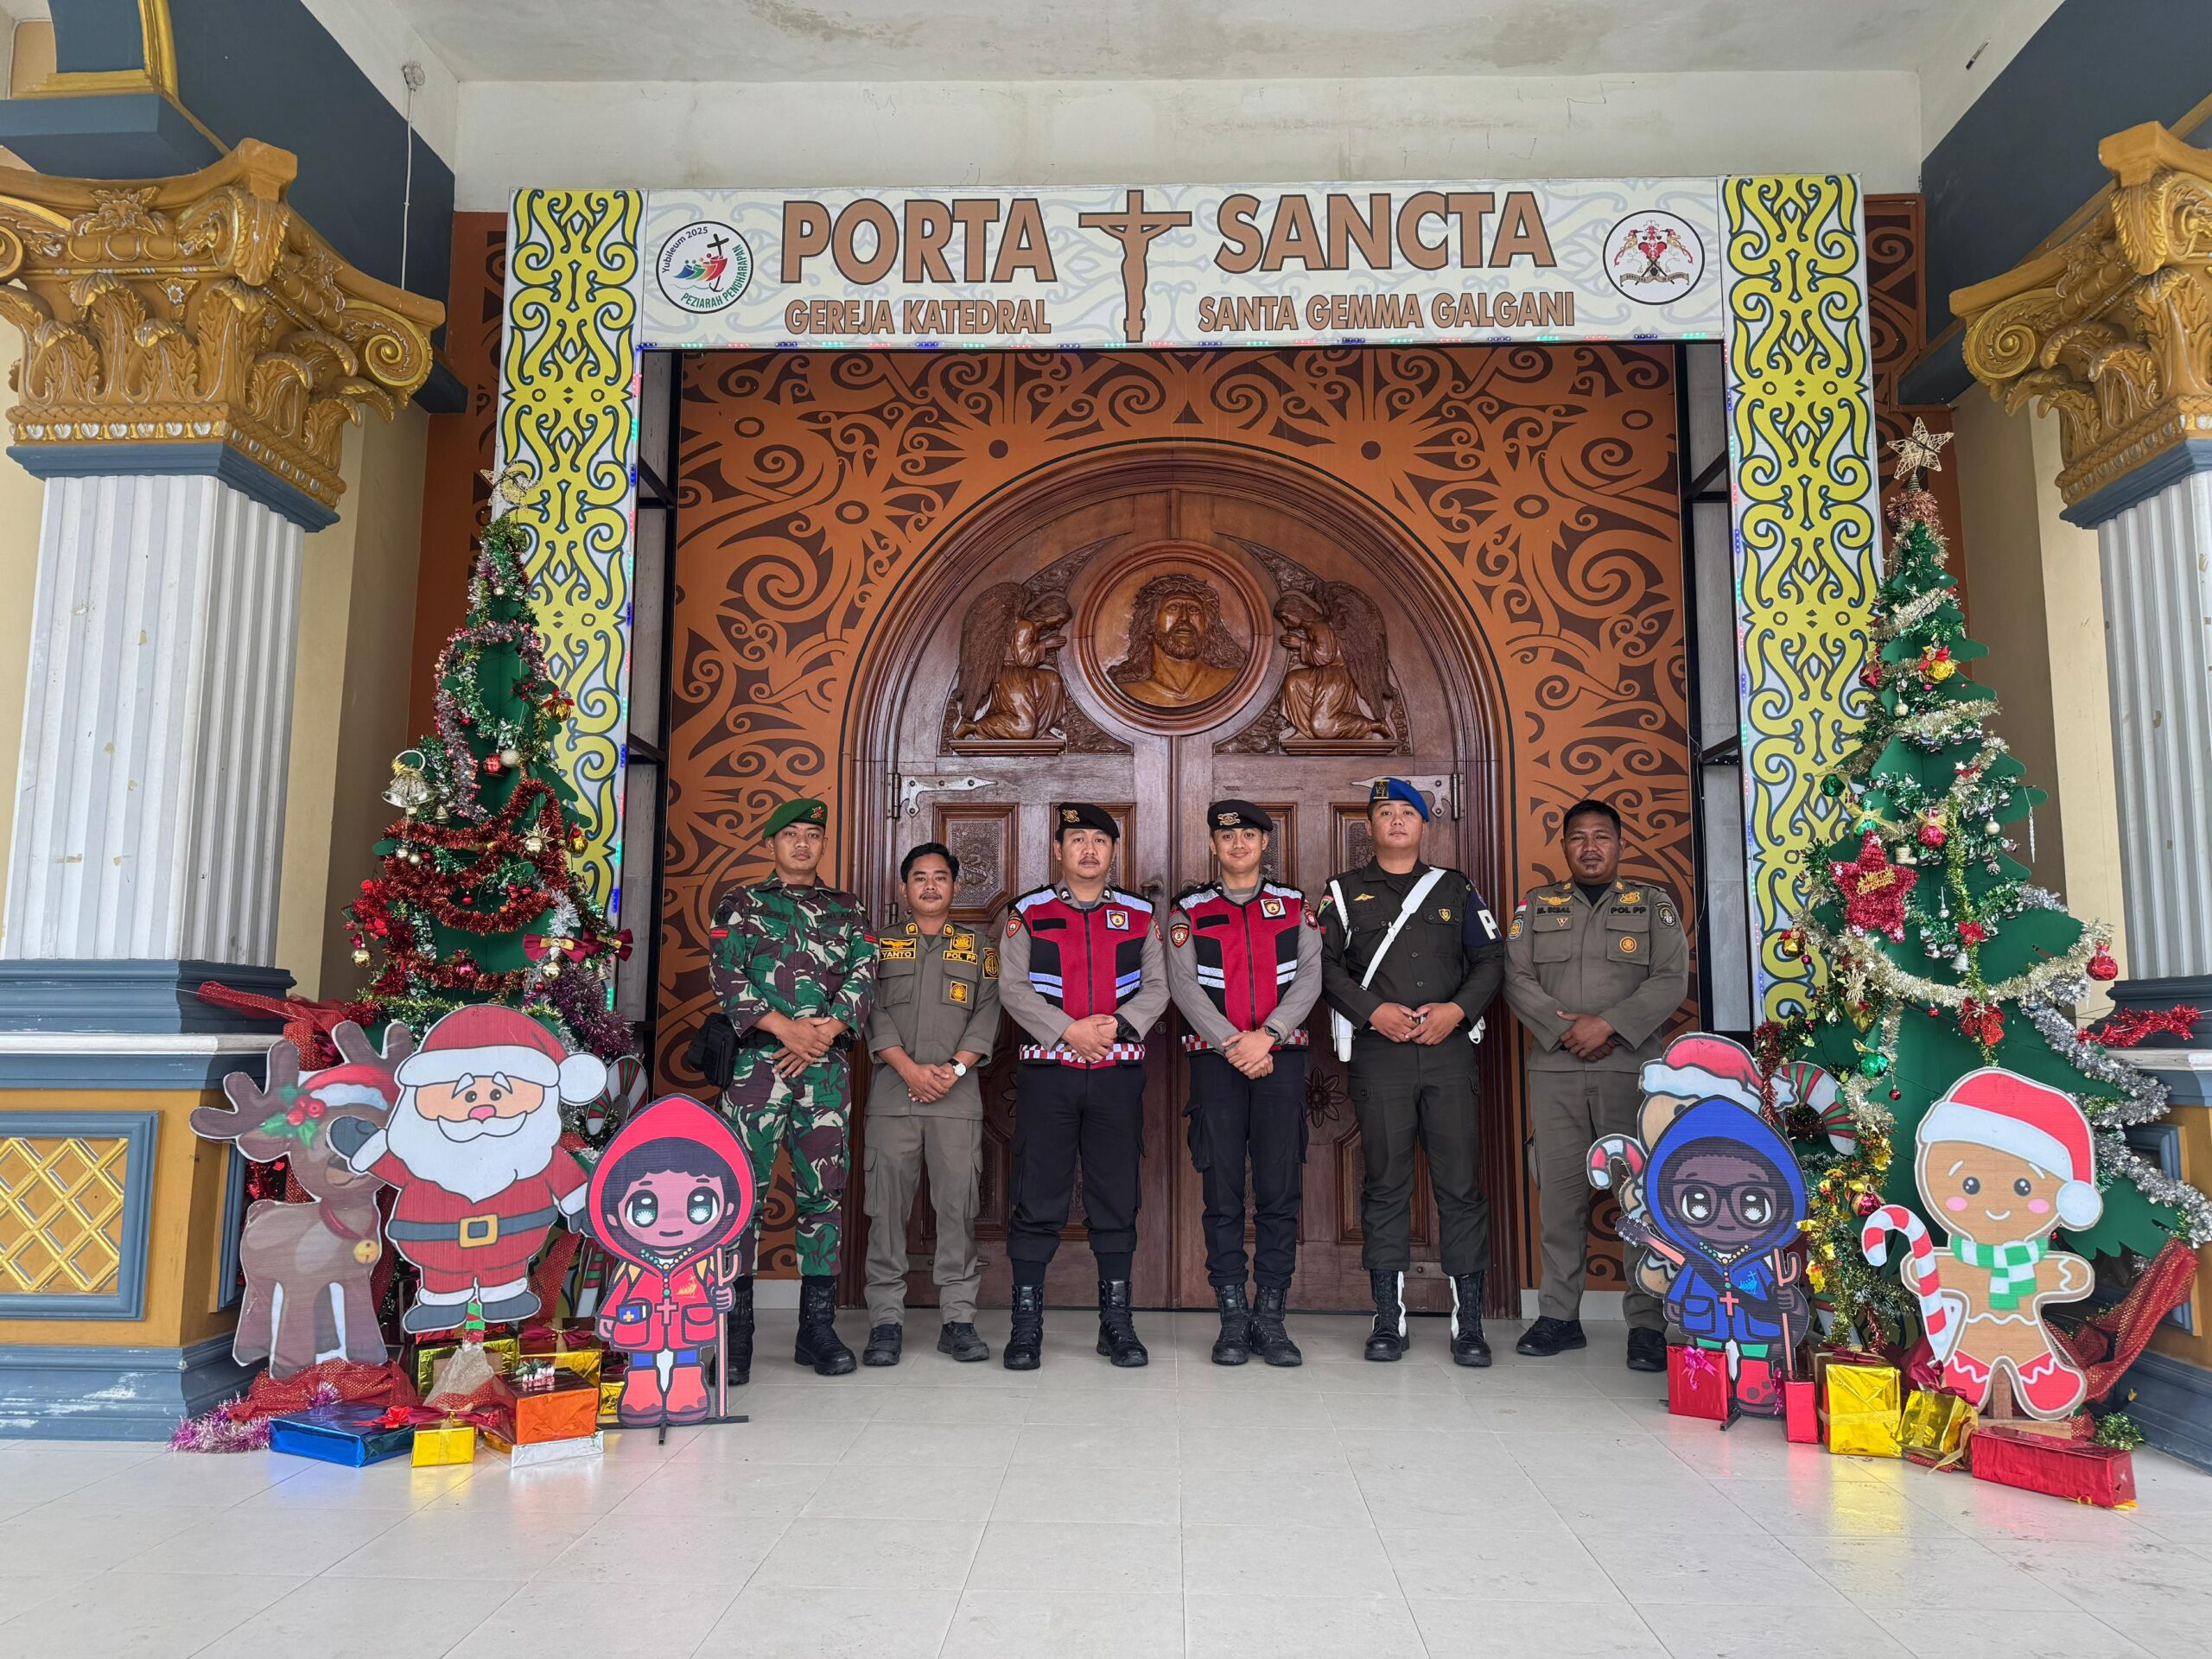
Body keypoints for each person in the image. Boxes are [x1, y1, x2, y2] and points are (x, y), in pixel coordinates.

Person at [1501, 798, 1689, 1371]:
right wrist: (1568, 1031)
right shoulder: (1537, 906)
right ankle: (1558, 1317)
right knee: (1559, 1198)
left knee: (1639, 1197)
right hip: (1555, 1069)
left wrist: (1607, 1025)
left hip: (1630, 1070)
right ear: (1564, 846)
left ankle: (1646, 1323)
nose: (1590, 847)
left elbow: (1670, 979)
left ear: (1619, 844)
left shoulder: (1652, 905)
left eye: (1601, 837)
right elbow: (1516, 976)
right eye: (1578, 837)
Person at [1321, 779, 1504, 1365]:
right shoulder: (1342, 893)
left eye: (1408, 812)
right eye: (1385, 812)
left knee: (1460, 1186)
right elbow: (1323, 966)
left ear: (1425, 824)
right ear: (1369, 826)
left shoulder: (1456, 888)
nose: (1397, 820)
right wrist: (1372, 1010)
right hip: (1382, 1056)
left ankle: (1467, 1324)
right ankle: (1387, 1319)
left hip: (1449, 1053)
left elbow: (1490, 959)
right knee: (1385, 1184)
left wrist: (1457, 1010)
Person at [709, 795, 878, 1380]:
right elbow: (726, 973)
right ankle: (736, 1337)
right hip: (756, 1070)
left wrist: (824, 1032)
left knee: (822, 1196)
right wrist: (787, 1029)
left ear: (823, 843)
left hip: (823, 1073)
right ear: (772, 844)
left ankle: (816, 1331)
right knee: (741, 1197)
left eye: (812, 834)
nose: (802, 843)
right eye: (791, 835)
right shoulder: (741, 903)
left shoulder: (847, 908)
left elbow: (864, 972)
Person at [996, 802, 1168, 1369]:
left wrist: (1114, 1027)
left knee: (1114, 1197)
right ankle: (1026, 1326)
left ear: (1114, 851)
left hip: (1116, 1076)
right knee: (1038, 1195)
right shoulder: (1028, 912)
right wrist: (1068, 1031)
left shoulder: (1140, 915)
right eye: (1077, 840)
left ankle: (1116, 1323)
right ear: (1058, 850)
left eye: (1099, 840)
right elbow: (1013, 988)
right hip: (1049, 1077)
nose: (1089, 850)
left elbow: (1158, 987)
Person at [1164, 800, 1321, 1365]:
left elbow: (1310, 977)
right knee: (1222, 1192)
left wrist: (1268, 1035)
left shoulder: (1295, 906)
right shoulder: (1189, 911)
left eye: (1249, 836)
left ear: (1264, 844)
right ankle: (1232, 1317)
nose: (1238, 845)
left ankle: (1271, 1318)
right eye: (1227, 837)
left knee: (1279, 1192)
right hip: (1216, 1062)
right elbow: (1183, 987)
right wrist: (1236, 1043)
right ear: (1214, 845)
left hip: (1281, 1059)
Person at [860, 842, 1001, 1366]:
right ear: (904, 888)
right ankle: (886, 1323)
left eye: (940, 877)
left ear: (955, 887)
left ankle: (958, 1320)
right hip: (893, 1098)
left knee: (958, 1211)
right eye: (919, 877)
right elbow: (871, 1010)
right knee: (885, 1213)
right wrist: (910, 1070)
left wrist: (953, 1071)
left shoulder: (980, 949)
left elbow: (987, 1015)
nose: (930, 886)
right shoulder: (879, 946)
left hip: (955, 1100)